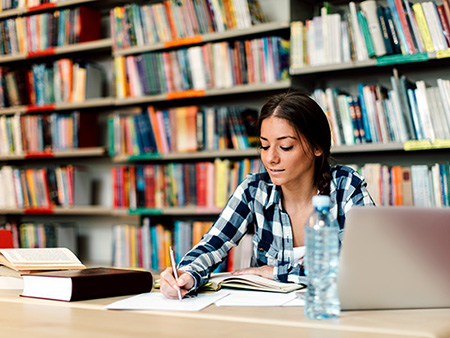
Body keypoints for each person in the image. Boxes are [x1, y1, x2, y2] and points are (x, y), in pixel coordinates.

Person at [160, 91, 375, 299]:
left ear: (317, 147)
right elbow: (213, 243)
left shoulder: (346, 186)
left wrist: (276, 272)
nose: (271, 158)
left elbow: (368, 264)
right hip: (268, 318)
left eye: (285, 146)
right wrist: (186, 274)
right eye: (264, 145)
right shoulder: (254, 190)